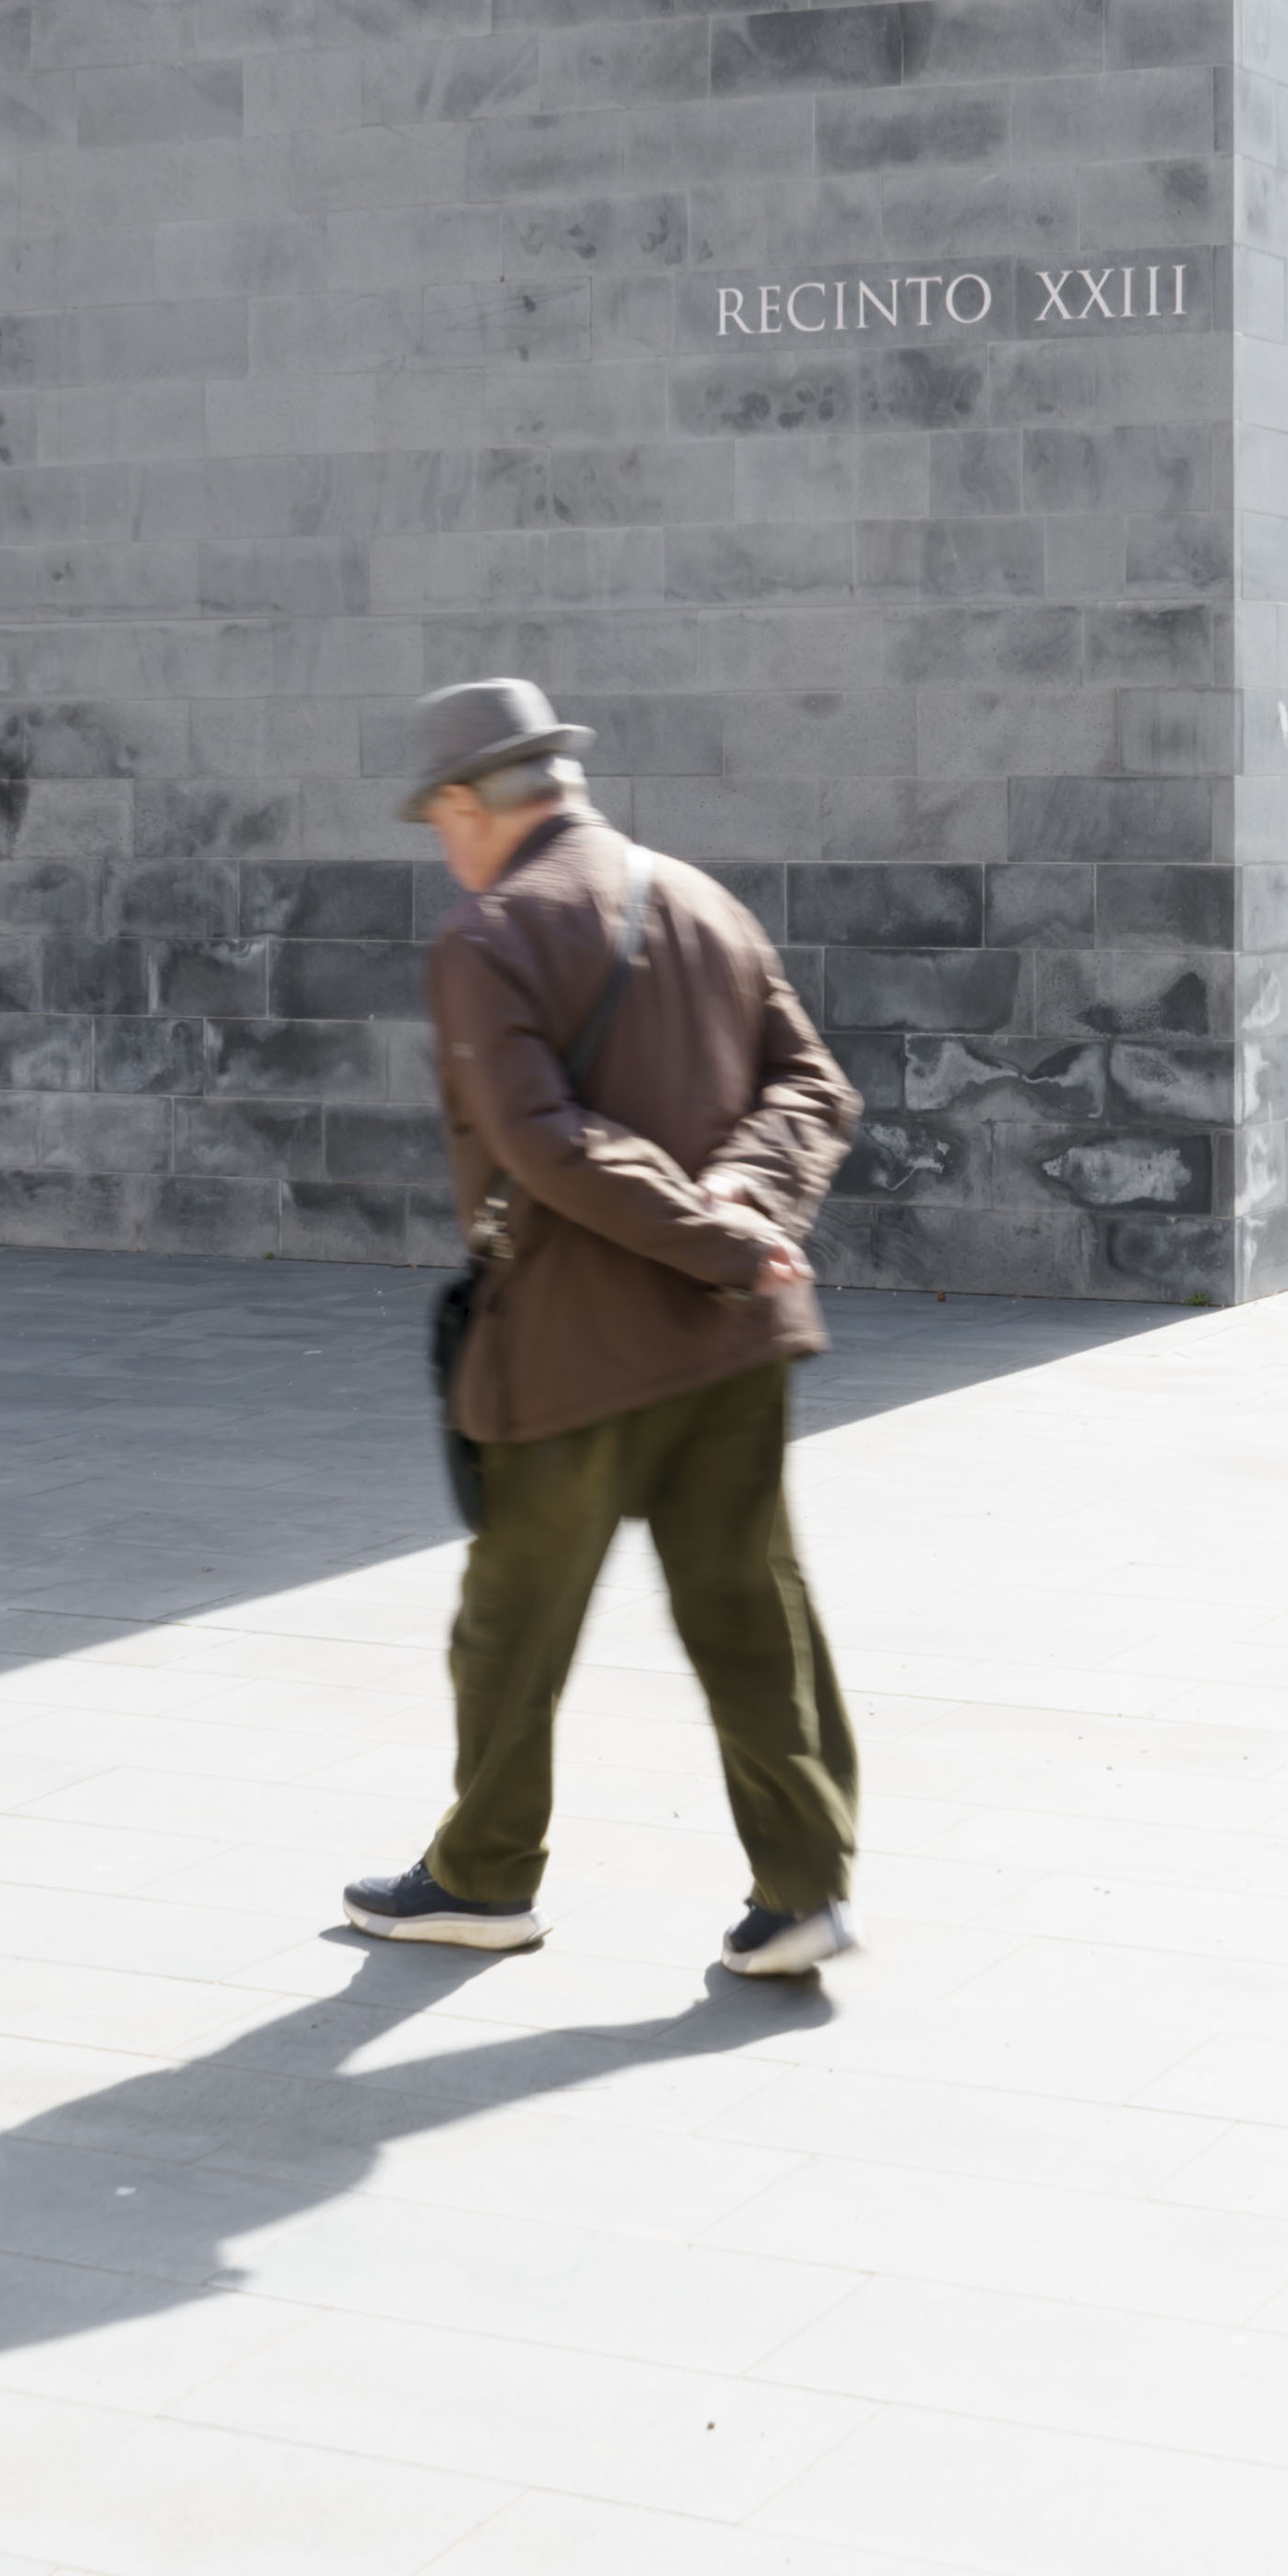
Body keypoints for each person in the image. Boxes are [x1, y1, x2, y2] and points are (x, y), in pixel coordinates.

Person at [344, 677, 865, 1979]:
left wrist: (717, 1229)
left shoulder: (487, 935)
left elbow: (545, 1143)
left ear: (468, 805)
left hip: (576, 1353)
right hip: (736, 1339)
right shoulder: (698, 898)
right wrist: (748, 1202)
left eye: (438, 817)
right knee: (751, 1611)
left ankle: (480, 1878)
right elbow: (813, 1085)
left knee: (510, 1626)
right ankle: (802, 1889)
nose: (442, 842)